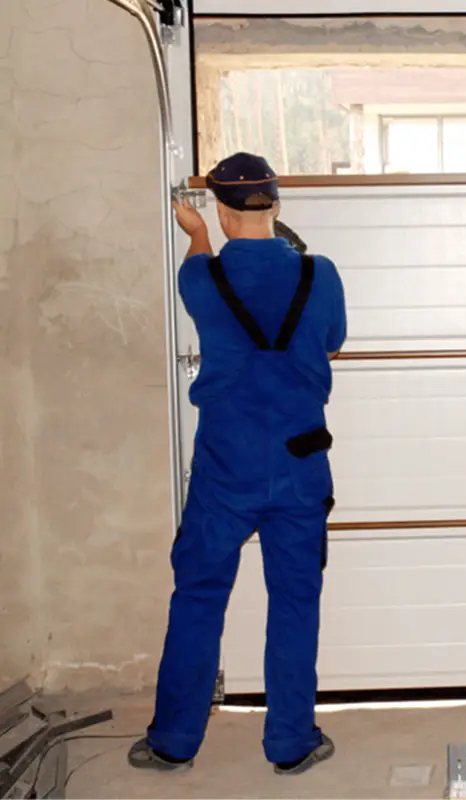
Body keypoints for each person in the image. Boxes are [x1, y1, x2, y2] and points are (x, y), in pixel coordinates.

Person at [129, 153, 347, 776]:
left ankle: (173, 742)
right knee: (296, 600)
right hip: (301, 463)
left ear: (223, 210)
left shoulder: (201, 280)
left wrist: (196, 236)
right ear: (276, 206)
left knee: (198, 594)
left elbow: (200, 268)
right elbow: (332, 337)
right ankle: (290, 744)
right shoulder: (320, 274)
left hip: (226, 467)